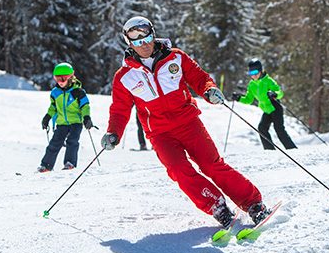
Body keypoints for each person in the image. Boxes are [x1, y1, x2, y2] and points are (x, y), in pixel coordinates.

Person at [100, 16, 272, 230]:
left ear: (153, 34)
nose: (142, 43)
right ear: (129, 42)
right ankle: (217, 206)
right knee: (179, 171)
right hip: (160, 133)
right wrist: (113, 133)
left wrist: (209, 90)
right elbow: (119, 110)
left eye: (146, 36)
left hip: (188, 123)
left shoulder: (176, 58)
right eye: (135, 39)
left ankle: (253, 204)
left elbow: (200, 78)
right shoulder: (124, 77)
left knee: (212, 164)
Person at [38, 62, 94, 172]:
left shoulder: (78, 92)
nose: (60, 82)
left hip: (75, 122)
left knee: (72, 142)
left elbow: (85, 106)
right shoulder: (55, 92)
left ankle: (70, 163)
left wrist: (86, 117)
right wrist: (47, 117)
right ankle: (46, 166)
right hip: (61, 123)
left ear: (70, 77)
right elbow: (53, 107)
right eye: (57, 79)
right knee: (54, 144)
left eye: (63, 79)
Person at [232, 59, 297, 151]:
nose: (253, 75)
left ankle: (292, 149)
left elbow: (280, 92)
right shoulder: (252, 85)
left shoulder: (268, 81)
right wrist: (238, 98)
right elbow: (248, 100)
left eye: (255, 72)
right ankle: (269, 150)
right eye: (251, 73)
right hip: (266, 110)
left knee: (279, 130)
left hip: (275, 107)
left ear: (260, 70)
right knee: (262, 128)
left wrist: (274, 94)